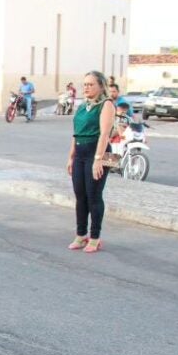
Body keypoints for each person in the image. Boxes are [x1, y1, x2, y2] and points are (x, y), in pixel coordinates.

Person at [66, 71, 115, 254]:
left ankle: (94, 237)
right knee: (80, 195)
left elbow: (104, 134)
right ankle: (80, 235)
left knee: (94, 195)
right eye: (84, 84)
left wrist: (98, 160)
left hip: (99, 152)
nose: (86, 87)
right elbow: (76, 133)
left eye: (90, 84)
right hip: (80, 152)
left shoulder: (106, 105)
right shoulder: (81, 106)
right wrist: (71, 157)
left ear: (101, 86)